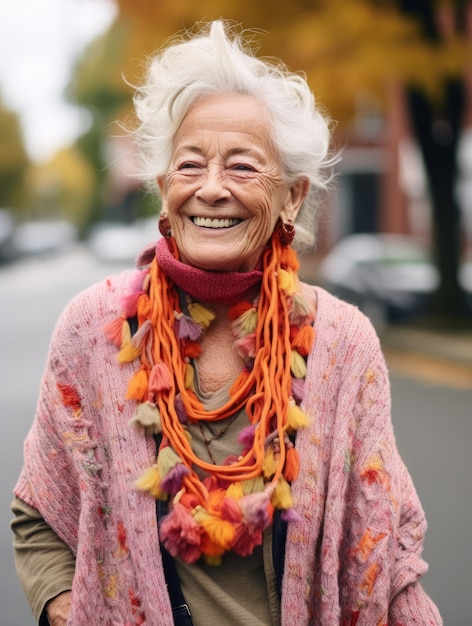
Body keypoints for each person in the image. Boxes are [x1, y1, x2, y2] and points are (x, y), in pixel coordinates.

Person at [11, 20, 441, 626]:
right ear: (164, 189)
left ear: (291, 196)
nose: (212, 189)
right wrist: (67, 608)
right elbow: (39, 511)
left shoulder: (342, 342)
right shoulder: (94, 328)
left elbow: (390, 553)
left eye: (242, 167)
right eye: (190, 166)